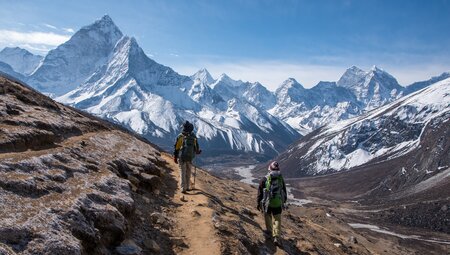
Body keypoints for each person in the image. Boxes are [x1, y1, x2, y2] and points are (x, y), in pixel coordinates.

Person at [257, 161, 287, 246]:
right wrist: (283, 201)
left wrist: (258, 203)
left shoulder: (265, 179)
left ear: (269, 169)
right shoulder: (280, 179)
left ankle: (270, 232)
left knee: (267, 216)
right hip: (277, 202)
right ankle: (276, 237)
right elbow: (284, 190)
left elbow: (260, 192)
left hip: (268, 203)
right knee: (277, 219)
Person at [173, 121, 201, 194]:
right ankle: (188, 187)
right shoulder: (193, 136)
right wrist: (197, 152)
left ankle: (183, 188)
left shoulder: (180, 136)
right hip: (190, 157)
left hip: (182, 157)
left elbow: (177, 148)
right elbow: (196, 147)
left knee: (182, 172)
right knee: (188, 172)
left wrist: (175, 157)